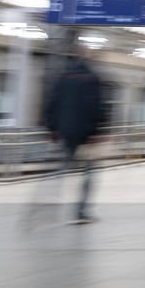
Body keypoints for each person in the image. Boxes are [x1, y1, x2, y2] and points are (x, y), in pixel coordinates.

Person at [42, 41, 108, 224]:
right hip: (86, 134)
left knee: (62, 168)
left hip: (65, 130)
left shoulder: (64, 76)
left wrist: (52, 128)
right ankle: (81, 211)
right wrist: (97, 131)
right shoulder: (92, 77)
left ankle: (49, 201)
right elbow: (97, 106)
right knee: (89, 173)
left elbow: (51, 103)